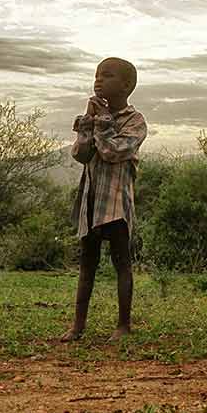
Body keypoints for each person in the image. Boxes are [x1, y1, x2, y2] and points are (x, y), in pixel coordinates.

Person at [61, 57, 147, 341]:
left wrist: (103, 122)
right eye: (97, 75)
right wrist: (89, 123)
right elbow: (81, 154)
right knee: (87, 262)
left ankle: (123, 325)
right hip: (91, 199)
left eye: (107, 75)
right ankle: (78, 325)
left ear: (126, 85)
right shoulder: (94, 116)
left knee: (121, 262)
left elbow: (113, 151)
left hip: (116, 203)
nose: (98, 80)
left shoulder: (134, 121)